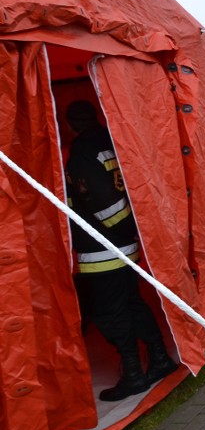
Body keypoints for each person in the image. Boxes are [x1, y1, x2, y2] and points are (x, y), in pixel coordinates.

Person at [64, 100, 178, 402]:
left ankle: (133, 375)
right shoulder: (109, 140)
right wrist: (130, 232)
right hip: (123, 245)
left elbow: (103, 202)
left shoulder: (82, 153)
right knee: (132, 303)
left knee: (110, 313)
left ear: (70, 124)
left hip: (101, 250)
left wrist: (118, 228)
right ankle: (159, 359)